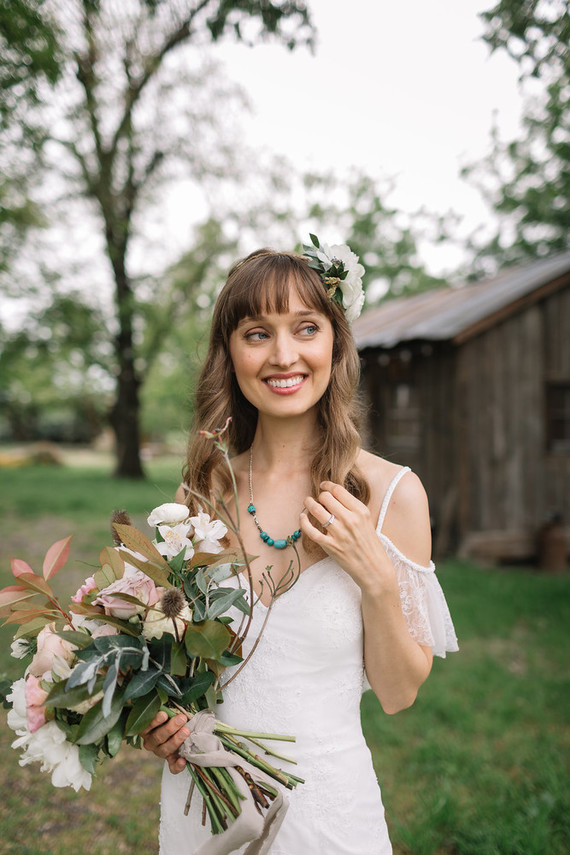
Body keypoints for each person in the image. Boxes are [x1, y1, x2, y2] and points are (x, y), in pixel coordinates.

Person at [141, 242, 458, 855]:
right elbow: (175, 670)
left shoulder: (394, 494)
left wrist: (376, 578)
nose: (284, 355)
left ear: (334, 344)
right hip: (208, 807)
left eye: (305, 328)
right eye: (257, 333)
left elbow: (398, 694)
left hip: (327, 809)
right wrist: (159, 722)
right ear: (229, 353)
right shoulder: (202, 490)